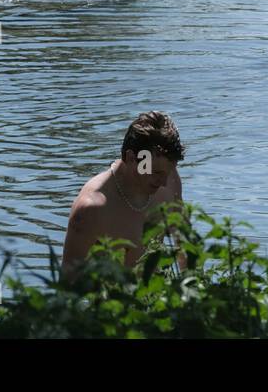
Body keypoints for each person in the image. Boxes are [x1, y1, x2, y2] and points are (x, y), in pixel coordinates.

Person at [62, 111, 185, 284]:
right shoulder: (93, 209)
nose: (164, 182)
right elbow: (67, 286)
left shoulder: (169, 181)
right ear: (131, 158)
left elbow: (184, 247)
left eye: (169, 171)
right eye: (156, 172)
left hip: (158, 301)